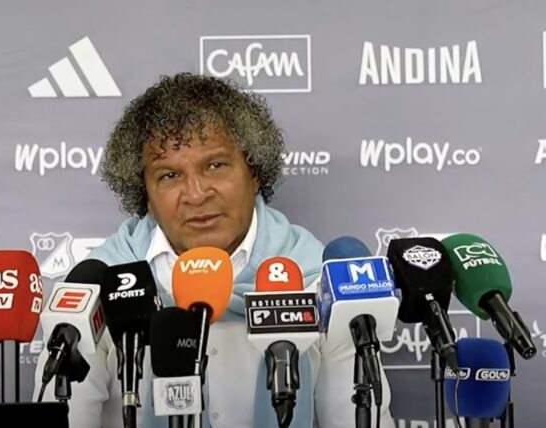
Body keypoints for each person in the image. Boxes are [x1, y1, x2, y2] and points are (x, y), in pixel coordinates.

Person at [34, 72, 394, 428]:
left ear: (255, 172)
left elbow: (356, 417)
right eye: (169, 176)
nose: (195, 193)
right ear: (145, 194)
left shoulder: (318, 280)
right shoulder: (102, 287)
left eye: (215, 165)